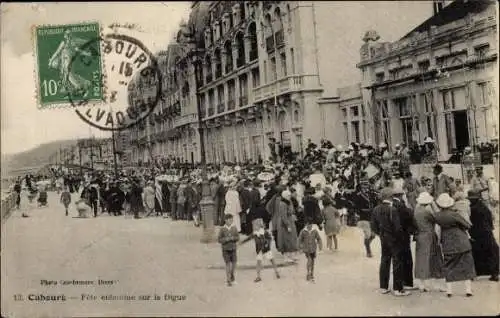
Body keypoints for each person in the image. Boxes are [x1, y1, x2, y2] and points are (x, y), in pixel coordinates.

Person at [433, 193, 475, 297]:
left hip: (447, 242)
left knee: (449, 265)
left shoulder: (437, 216)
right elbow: (467, 225)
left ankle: (449, 291)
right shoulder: (455, 214)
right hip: (461, 241)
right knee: (467, 265)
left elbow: (438, 229)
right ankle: (468, 290)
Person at [371, 187, 410, 296]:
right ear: (390, 197)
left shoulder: (376, 209)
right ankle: (398, 288)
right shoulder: (392, 210)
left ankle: (383, 286)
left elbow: (373, 226)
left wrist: (381, 234)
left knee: (384, 261)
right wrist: (400, 238)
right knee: (397, 262)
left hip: (383, 238)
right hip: (394, 239)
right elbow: (397, 227)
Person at [413, 191, 445, 292]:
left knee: (421, 259)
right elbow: (438, 219)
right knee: (435, 258)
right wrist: (434, 205)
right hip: (429, 235)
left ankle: (422, 283)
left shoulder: (416, 210)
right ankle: (437, 283)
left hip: (420, 235)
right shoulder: (426, 212)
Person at [468, 190, 499, 282]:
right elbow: (490, 219)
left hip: (476, 234)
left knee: (476, 252)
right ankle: (494, 273)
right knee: (492, 252)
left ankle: (476, 273)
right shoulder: (484, 207)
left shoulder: (471, 209)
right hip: (487, 232)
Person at [392, 186, 418, 291]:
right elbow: (409, 216)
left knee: (399, 259)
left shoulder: (392, 205)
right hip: (403, 235)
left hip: (394, 236)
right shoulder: (401, 206)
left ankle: (402, 282)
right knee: (407, 259)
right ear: (401, 195)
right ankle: (407, 282)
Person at [239, 218, 281, 282]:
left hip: (266, 249)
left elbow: (269, 238)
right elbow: (248, 238)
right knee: (258, 263)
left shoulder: (264, 232)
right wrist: (241, 242)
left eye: (255, 226)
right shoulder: (254, 233)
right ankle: (258, 276)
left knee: (272, 260)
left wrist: (267, 244)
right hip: (259, 250)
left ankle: (276, 272)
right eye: (253, 226)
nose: (254, 227)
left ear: (259, 225)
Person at [355, 181, 378, 258]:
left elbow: (374, 203)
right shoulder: (358, 196)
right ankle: (368, 251)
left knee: (373, 235)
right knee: (368, 235)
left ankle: (366, 244)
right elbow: (357, 208)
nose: (366, 188)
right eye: (364, 186)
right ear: (361, 187)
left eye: (367, 186)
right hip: (363, 217)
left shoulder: (371, 194)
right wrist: (366, 210)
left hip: (371, 217)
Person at [298, 217, 323, 282]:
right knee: (309, 260)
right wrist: (300, 247)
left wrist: (320, 247)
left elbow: (319, 239)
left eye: (310, 224)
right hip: (306, 249)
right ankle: (308, 273)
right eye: (308, 224)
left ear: (312, 224)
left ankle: (312, 273)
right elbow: (299, 240)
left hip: (313, 249)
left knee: (312, 261)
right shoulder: (303, 231)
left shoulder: (314, 231)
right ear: (306, 224)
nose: (309, 226)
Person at [218, 214, 240, 287]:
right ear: (225, 220)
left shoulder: (234, 228)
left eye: (231, 220)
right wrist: (226, 239)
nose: (231, 221)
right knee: (227, 264)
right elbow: (219, 239)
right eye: (229, 220)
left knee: (234, 264)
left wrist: (233, 238)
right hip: (225, 250)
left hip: (233, 249)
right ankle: (228, 280)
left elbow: (237, 237)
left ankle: (232, 276)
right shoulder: (222, 229)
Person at [277, 190, 299, 259]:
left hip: (291, 221)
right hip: (285, 223)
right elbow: (283, 216)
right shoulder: (282, 204)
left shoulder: (289, 202)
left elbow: (292, 211)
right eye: (288, 195)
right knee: (286, 239)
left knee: (292, 238)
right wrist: (287, 225)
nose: (290, 196)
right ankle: (286, 257)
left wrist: (294, 216)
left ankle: (292, 254)